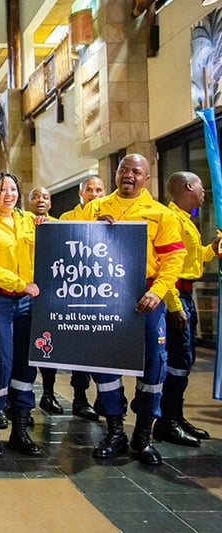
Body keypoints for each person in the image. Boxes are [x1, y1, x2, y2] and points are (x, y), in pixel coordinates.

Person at [81, 154, 186, 465]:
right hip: (105, 297)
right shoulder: (94, 208)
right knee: (104, 363)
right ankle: (115, 429)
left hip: (146, 299)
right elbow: (72, 244)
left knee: (154, 365)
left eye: (136, 172)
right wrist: (93, 230)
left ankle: (142, 433)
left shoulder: (161, 215)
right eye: (123, 170)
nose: (128, 175)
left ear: (147, 178)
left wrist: (158, 293)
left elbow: (173, 260)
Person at [0, 173, 42, 458]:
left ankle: (20, 430)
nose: (9, 194)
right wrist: (20, 284)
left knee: (26, 367)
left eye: (13, 189)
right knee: (0, 363)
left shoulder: (29, 221)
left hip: (27, 304)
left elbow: (61, 242)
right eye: (3, 189)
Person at [153, 171, 217, 447]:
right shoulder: (172, 221)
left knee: (185, 360)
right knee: (178, 361)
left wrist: (212, 249)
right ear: (188, 187)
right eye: (201, 187)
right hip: (176, 298)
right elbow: (168, 269)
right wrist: (175, 306)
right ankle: (167, 422)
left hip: (186, 295)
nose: (204, 192)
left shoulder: (186, 220)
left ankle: (176, 417)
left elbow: (191, 261)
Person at [58, 176, 106, 421]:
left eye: (99, 190)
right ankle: (79, 397)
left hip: (103, 295)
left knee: (102, 350)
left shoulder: (110, 217)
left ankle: (104, 399)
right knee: (79, 349)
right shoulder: (67, 219)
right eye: (89, 190)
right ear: (80, 193)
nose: (94, 194)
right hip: (75, 293)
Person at [27, 187, 64, 417]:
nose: (40, 200)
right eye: (35, 196)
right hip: (24, 293)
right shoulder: (21, 223)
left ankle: (48, 394)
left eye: (45, 197)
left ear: (50, 203)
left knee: (48, 348)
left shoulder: (59, 226)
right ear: (28, 201)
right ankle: (19, 400)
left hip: (50, 296)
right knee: (23, 349)